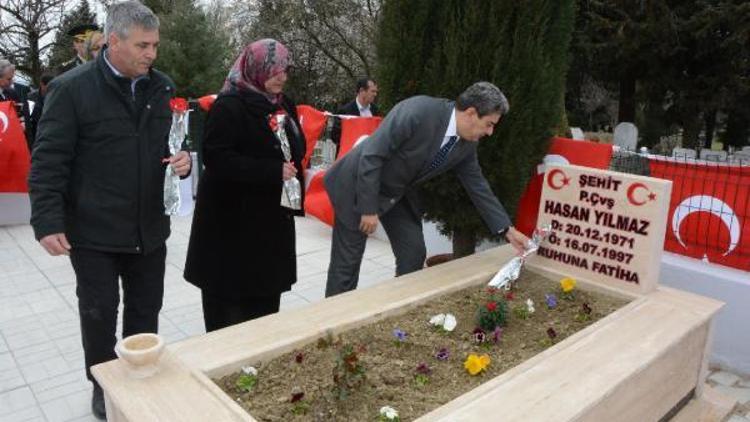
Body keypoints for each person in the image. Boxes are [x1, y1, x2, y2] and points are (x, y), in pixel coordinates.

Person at [28, 1, 190, 419]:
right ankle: (102, 386)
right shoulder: (71, 89)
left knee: (145, 310)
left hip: (149, 229)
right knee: (99, 315)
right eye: (142, 45)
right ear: (113, 41)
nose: (151, 54)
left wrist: (185, 163)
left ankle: (138, 379)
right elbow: (48, 160)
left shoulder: (163, 87)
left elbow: (177, 147)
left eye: (155, 45)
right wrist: (47, 221)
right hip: (94, 232)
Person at [324, 81, 530, 297]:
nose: (490, 132)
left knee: (413, 253)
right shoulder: (417, 112)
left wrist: (507, 229)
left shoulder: (467, 145)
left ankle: (397, 307)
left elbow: (478, 186)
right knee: (346, 267)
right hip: (358, 185)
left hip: (396, 192)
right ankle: (328, 327)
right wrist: (368, 208)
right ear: (471, 113)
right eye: (489, 124)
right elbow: (372, 155)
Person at [183, 39, 305, 332]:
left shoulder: (282, 104)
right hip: (230, 236)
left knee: (263, 320)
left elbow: (295, 145)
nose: (282, 77)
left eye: (284, 70)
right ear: (256, 68)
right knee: (229, 324)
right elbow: (217, 159)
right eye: (274, 70)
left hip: (269, 232)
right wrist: (271, 170)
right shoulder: (229, 106)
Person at [0, 58, 31, 144]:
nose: (12, 82)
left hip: (14, 139)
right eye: (9, 79)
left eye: (12, 78)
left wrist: (22, 122)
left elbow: (19, 112)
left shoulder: (12, 92)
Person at [25, 72, 55, 150]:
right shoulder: (31, 98)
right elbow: (28, 120)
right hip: (36, 135)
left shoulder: (56, 95)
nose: (51, 89)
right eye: (49, 87)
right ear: (42, 84)